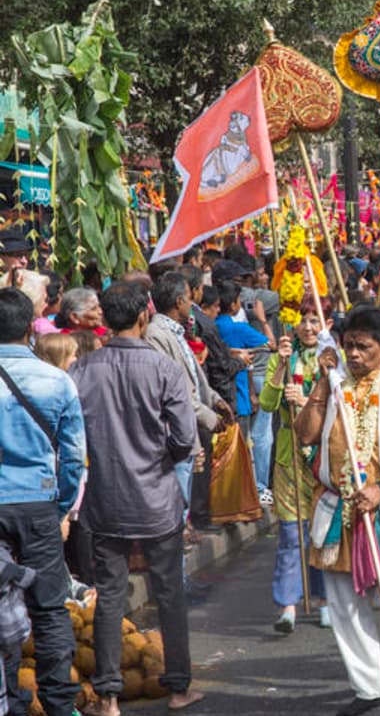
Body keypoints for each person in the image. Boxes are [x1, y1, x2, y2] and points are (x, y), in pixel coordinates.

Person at [294, 304, 380, 716]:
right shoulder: (333, 383)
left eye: (363, 347)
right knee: (344, 603)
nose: (354, 354)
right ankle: (368, 687)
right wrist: (323, 384)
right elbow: (305, 435)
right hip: (337, 508)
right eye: (348, 345)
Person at [70, 281, 204, 715]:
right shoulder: (163, 368)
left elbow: (71, 436)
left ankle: (108, 697)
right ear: (144, 316)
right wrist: (158, 459)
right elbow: (184, 439)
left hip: (105, 498)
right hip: (156, 497)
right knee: (169, 594)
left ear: (107, 321)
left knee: (109, 596)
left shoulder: (82, 370)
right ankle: (179, 688)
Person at [0, 288, 86, 716]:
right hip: (38, 503)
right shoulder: (57, 381)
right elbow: (74, 457)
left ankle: (11, 700)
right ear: (29, 331)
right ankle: (58, 704)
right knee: (50, 608)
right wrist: (61, 507)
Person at [259, 295, 331, 633]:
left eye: (315, 320)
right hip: (289, 459)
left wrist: (306, 402)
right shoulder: (281, 358)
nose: (308, 327)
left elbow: (342, 405)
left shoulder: (333, 359)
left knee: (321, 533)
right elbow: (267, 404)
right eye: (302, 319)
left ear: (327, 324)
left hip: (322, 458)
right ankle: (287, 604)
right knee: (290, 534)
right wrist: (280, 368)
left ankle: (325, 600)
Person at [144, 272, 233, 534]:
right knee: (178, 500)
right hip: (176, 429)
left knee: (187, 489)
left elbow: (192, 374)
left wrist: (214, 399)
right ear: (179, 302)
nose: (192, 304)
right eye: (188, 298)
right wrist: (209, 418)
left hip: (190, 424)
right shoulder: (156, 334)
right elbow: (175, 388)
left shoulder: (176, 331)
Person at [214, 281, 273, 503]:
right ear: (233, 305)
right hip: (238, 396)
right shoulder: (236, 328)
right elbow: (271, 345)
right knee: (245, 446)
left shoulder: (212, 326)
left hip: (220, 396)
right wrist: (262, 320)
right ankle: (248, 493)